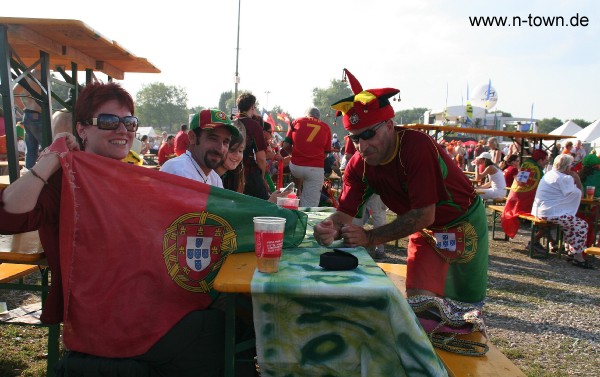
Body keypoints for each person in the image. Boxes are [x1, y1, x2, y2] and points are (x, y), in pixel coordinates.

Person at [0, 81, 227, 375]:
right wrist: (52, 158)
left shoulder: (135, 177)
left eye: (129, 122)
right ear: (81, 129)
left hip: (143, 306)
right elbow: (7, 217)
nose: (123, 130)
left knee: (229, 315)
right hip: (104, 320)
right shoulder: (64, 178)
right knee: (222, 333)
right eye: (108, 121)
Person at [313, 69, 488, 304]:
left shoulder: (416, 148)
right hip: (425, 230)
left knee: (463, 309)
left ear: (389, 125)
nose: (362, 146)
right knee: (421, 304)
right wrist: (329, 229)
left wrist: (369, 236)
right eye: (355, 138)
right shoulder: (359, 164)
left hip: (462, 222)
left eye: (368, 134)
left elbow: (424, 214)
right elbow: (345, 214)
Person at [532, 154, 592, 269]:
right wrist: (577, 179)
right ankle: (578, 257)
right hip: (551, 213)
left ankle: (572, 252)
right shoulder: (564, 178)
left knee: (571, 225)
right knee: (582, 225)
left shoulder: (550, 174)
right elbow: (580, 193)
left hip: (540, 210)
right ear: (568, 167)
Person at [160, 109, 239, 188]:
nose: (220, 149)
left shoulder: (215, 179)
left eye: (225, 142)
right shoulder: (178, 172)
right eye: (213, 138)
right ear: (192, 137)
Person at [282, 107, 332, 207]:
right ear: (319, 118)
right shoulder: (326, 127)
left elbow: (285, 146)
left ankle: (298, 191)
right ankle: (306, 214)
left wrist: (297, 155)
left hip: (296, 167)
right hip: (315, 168)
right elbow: (326, 154)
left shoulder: (297, 121)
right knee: (310, 206)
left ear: (305, 115)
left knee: (297, 172)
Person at [501, 149, 549, 239]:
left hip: (512, 201)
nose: (546, 163)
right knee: (547, 218)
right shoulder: (536, 170)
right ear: (540, 160)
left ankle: (546, 241)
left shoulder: (526, 165)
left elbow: (521, 183)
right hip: (522, 204)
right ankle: (537, 241)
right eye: (545, 160)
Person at [236, 92, 270, 200]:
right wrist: (262, 176)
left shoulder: (230, 123)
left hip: (230, 174)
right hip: (248, 174)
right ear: (251, 107)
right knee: (262, 206)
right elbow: (261, 157)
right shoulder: (254, 125)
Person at [13, 69, 43, 168]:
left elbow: (14, 92)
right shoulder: (43, 74)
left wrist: (23, 108)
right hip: (39, 115)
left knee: (30, 150)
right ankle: (46, 176)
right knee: (47, 148)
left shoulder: (27, 75)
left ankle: (29, 175)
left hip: (28, 114)